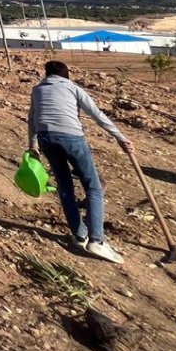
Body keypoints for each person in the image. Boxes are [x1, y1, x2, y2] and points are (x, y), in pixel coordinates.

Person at [28, 60, 134, 264]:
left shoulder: (37, 90)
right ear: (66, 75)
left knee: (65, 187)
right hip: (72, 138)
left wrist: (33, 145)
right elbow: (97, 115)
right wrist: (121, 138)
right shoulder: (73, 88)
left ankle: (80, 236)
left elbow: (31, 118)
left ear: (47, 75)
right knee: (93, 187)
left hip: (46, 138)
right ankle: (97, 240)